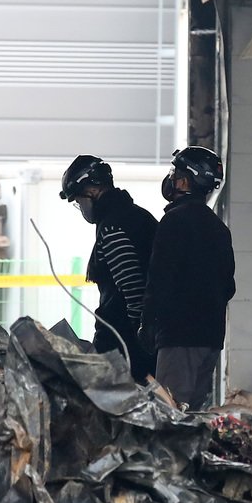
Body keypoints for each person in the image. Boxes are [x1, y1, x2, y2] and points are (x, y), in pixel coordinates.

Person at [141, 146, 237, 409]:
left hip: (178, 338)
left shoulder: (173, 222)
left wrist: (148, 322)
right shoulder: (218, 228)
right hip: (211, 338)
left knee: (171, 413)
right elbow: (229, 286)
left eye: (176, 173)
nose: (172, 178)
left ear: (185, 181)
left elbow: (159, 279)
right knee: (193, 415)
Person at [61, 154, 159, 381]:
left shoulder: (113, 226)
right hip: (142, 338)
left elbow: (132, 288)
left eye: (78, 201)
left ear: (92, 192)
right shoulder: (136, 215)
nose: (81, 207)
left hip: (124, 342)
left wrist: (139, 336)